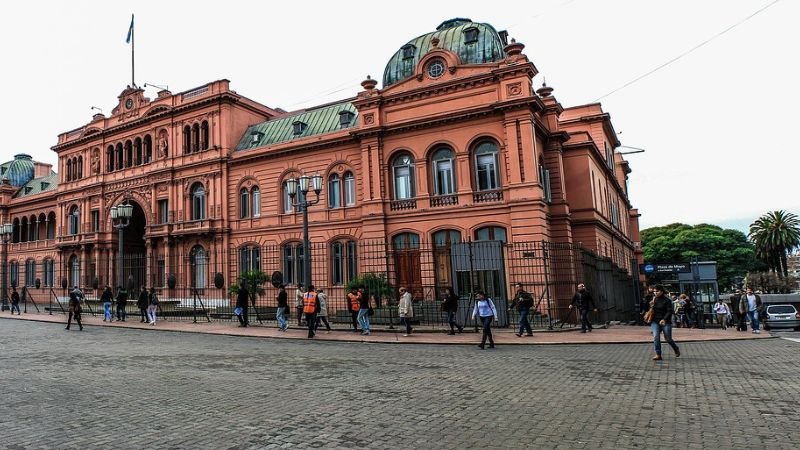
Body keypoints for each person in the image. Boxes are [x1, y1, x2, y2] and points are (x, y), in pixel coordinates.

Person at [649, 285, 680, 360]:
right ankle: (658, 354)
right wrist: (651, 306)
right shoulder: (654, 299)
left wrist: (664, 319)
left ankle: (675, 348)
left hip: (665, 322)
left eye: (657, 291)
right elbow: (652, 310)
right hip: (655, 321)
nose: (655, 293)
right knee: (656, 337)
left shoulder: (667, 300)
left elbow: (669, 311)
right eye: (654, 291)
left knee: (668, 338)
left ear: (662, 291)